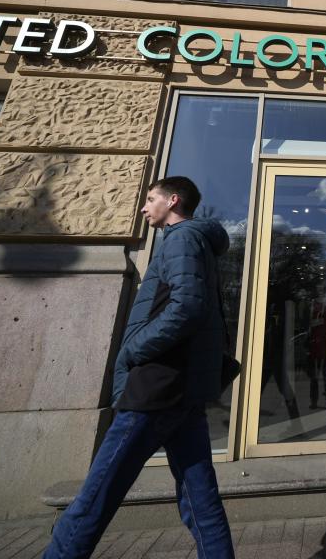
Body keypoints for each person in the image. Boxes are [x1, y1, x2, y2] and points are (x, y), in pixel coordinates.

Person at [43, 176, 234, 559]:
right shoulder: (193, 242)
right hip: (182, 389)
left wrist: (134, 349)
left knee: (98, 492)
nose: (145, 208)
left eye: (151, 199)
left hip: (157, 385)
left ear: (173, 200)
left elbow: (188, 307)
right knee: (200, 499)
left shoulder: (181, 238)